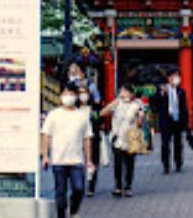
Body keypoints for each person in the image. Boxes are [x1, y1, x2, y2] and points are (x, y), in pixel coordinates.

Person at [42, 83, 95, 218]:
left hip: (76, 160)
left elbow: (87, 138)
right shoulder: (53, 115)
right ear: (60, 96)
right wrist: (45, 156)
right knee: (60, 192)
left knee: (79, 188)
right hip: (59, 160)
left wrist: (89, 159)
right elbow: (46, 135)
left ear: (76, 96)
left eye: (71, 94)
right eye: (66, 94)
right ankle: (61, 214)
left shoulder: (82, 116)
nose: (68, 97)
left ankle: (74, 210)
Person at [102, 83, 145, 198]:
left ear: (131, 94)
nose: (123, 94)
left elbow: (141, 120)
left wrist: (139, 118)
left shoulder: (137, 104)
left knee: (129, 163)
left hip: (131, 137)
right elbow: (102, 113)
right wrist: (112, 106)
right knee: (118, 163)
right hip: (117, 137)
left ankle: (128, 186)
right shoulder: (116, 103)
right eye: (121, 91)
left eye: (125, 91)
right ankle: (118, 186)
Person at [151, 68, 190, 173]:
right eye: (173, 76)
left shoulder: (181, 92)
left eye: (177, 76)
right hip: (166, 119)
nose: (176, 78)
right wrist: (161, 94)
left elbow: (184, 108)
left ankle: (178, 163)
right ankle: (166, 165)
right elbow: (154, 104)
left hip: (177, 120)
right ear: (168, 78)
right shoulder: (162, 90)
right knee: (165, 143)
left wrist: (186, 122)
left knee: (178, 143)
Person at [76, 84, 103, 198]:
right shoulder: (74, 109)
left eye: (85, 92)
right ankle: (79, 185)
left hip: (93, 139)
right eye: (80, 93)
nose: (83, 95)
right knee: (79, 163)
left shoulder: (95, 108)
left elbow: (99, 121)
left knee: (93, 162)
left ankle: (91, 186)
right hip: (78, 140)